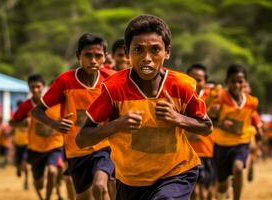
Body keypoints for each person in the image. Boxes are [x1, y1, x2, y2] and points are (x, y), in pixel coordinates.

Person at [76, 15, 213, 200]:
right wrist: (117, 125)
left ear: (167, 52)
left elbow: (206, 126)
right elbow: (82, 138)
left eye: (155, 50)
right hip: (130, 181)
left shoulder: (182, 86)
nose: (147, 58)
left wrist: (177, 118)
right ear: (127, 52)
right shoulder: (114, 88)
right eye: (138, 50)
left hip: (176, 173)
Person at [32, 33, 115, 200]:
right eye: (88, 55)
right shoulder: (65, 81)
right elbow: (37, 111)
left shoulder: (112, 79)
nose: (93, 60)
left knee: (101, 186)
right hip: (76, 151)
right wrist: (54, 124)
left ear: (105, 57)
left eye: (98, 56)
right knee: (83, 197)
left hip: (104, 147)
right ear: (79, 56)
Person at [208, 64, 262, 200]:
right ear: (227, 81)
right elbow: (207, 120)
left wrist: (258, 129)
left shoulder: (252, 102)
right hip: (221, 145)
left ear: (245, 83)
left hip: (241, 142)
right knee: (222, 186)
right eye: (233, 81)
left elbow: (254, 118)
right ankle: (221, 195)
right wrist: (221, 124)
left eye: (240, 81)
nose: (237, 85)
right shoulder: (219, 100)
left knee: (238, 169)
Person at [10, 74, 64, 200]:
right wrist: (21, 123)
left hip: (54, 146)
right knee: (39, 185)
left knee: (52, 171)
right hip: (35, 149)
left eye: (38, 87)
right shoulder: (25, 106)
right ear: (29, 88)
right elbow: (12, 123)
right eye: (32, 87)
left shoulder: (55, 102)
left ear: (43, 87)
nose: (35, 90)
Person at [186, 64, 215, 200]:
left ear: (205, 82)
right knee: (194, 193)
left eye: (199, 80)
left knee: (205, 193)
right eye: (191, 78)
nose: (195, 83)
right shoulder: (179, 96)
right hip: (185, 153)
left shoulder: (214, 97)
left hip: (207, 151)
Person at [11, 100, 30, 190]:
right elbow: (12, 127)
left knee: (25, 163)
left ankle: (26, 181)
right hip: (18, 144)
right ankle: (18, 168)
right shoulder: (16, 118)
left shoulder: (28, 118)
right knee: (18, 163)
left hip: (27, 144)